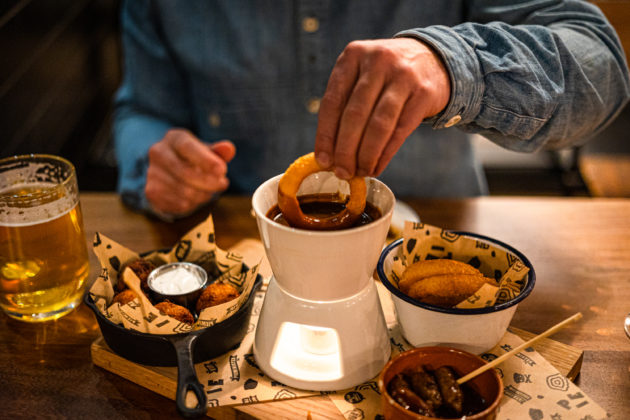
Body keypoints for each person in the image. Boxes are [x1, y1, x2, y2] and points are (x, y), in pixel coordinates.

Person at [113, 0, 630, 218]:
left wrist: (453, 66)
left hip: (437, 234)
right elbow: (140, 110)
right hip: (247, 247)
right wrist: (155, 161)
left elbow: (602, 70)